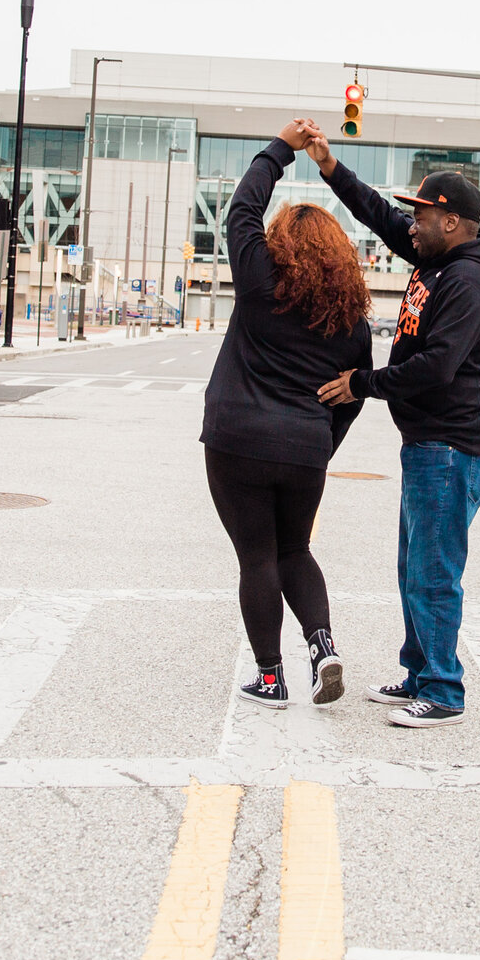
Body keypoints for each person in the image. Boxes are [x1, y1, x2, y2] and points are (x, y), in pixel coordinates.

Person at [306, 133, 480, 729]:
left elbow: (438, 366)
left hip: (452, 445)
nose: (409, 226)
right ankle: (419, 671)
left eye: (420, 216)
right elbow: (378, 213)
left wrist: (363, 383)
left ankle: (444, 690)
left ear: (451, 221)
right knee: (414, 565)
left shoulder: (467, 281)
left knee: (433, 571)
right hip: (429, 444)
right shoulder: (438, 258)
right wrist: (328, 167)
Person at [201, 118, 374, 709]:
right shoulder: (350, 317)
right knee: (294, 550)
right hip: (304, 447)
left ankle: (271, 676)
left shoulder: (258, 280)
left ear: (280, 244)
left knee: (256, 555)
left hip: (237, 438)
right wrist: (323, 441)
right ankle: (322, 646)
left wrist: (280, 151)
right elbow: (352, 393)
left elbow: (241, 210)